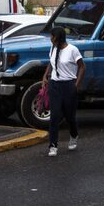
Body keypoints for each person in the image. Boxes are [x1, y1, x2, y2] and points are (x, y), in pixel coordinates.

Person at [41, 27, 85, 157]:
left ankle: (74, 135)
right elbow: (51, 62)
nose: (50, 38)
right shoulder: (53, 48)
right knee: (54, 116)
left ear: (58, 38)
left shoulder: (72, 50)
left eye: (52, 36)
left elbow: (82, 67)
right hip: (54, 85)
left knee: (69, 116)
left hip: (68, 85)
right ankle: (53, 145)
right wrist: (45, 75)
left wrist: (76, 85)